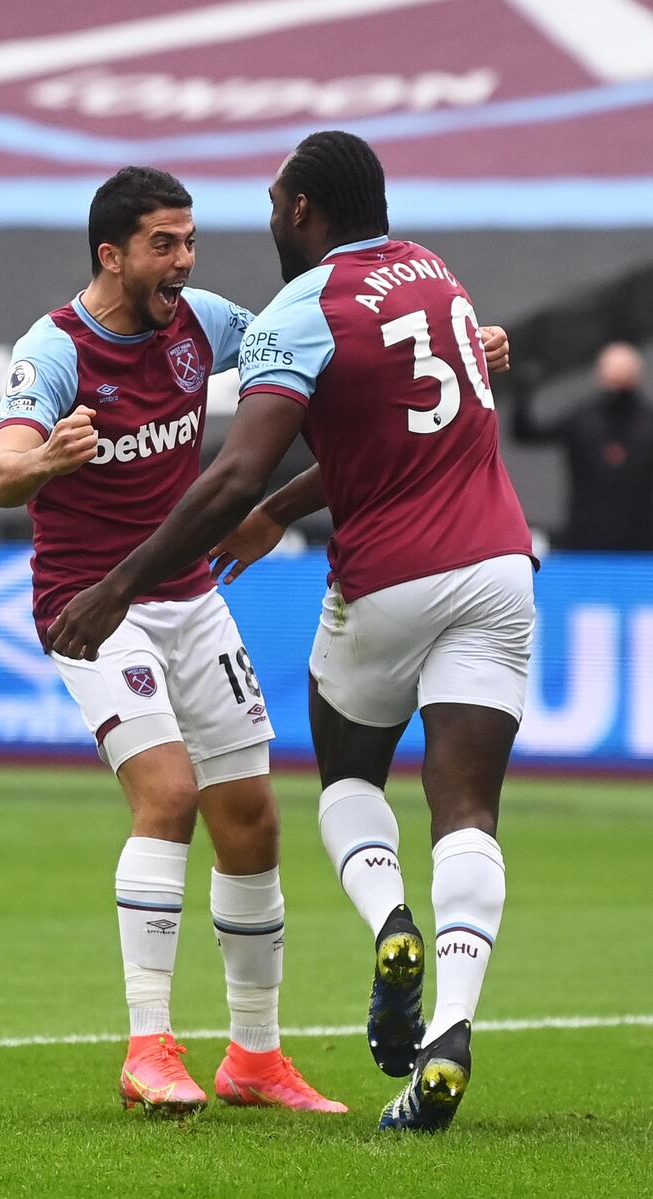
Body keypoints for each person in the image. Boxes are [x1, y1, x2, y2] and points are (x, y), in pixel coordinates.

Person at [47, 132, 535, 1134]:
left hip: (384, 580)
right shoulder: (434, 276)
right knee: (467, 810)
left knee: (346, 780)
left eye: (273, 202)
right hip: (498, 569)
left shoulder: (298, 309)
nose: (262, 221)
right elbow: (401, 430)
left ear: (302, 209)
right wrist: (291, 504)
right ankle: (445, 1024)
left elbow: (229, 475)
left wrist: (120, 583)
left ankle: (378, 932)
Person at [0, 165, 348, 1115]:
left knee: (252, 820)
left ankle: (256, 1059)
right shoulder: (54, 347)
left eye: (189, 241)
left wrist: (457, 345)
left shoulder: (203, 325)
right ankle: (149, 1046)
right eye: (163, 244)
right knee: (171, 793)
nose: (183, 261)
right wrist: (44, 459)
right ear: (111, 253)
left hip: (190, 596)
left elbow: (327, 345)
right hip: (90, 604)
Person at [511, 342, 653, 550]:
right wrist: (523, 394)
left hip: (641, 544)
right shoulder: (583, 419)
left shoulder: (645, 422)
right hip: (586, 541)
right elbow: (525, 433)